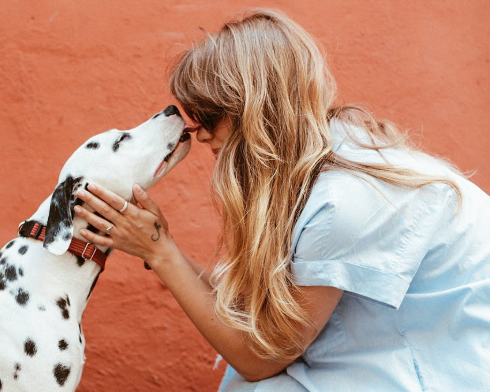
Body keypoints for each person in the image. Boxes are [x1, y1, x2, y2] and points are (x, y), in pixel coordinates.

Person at [73, 8, 490, 392]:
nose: (198, 133)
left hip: (438, 367)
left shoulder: (344, 202)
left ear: (253, 108)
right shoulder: (318, 164)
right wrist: (158, 244)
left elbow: (260, 358)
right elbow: (248, 312)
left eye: (209, 114)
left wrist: (159, 250)